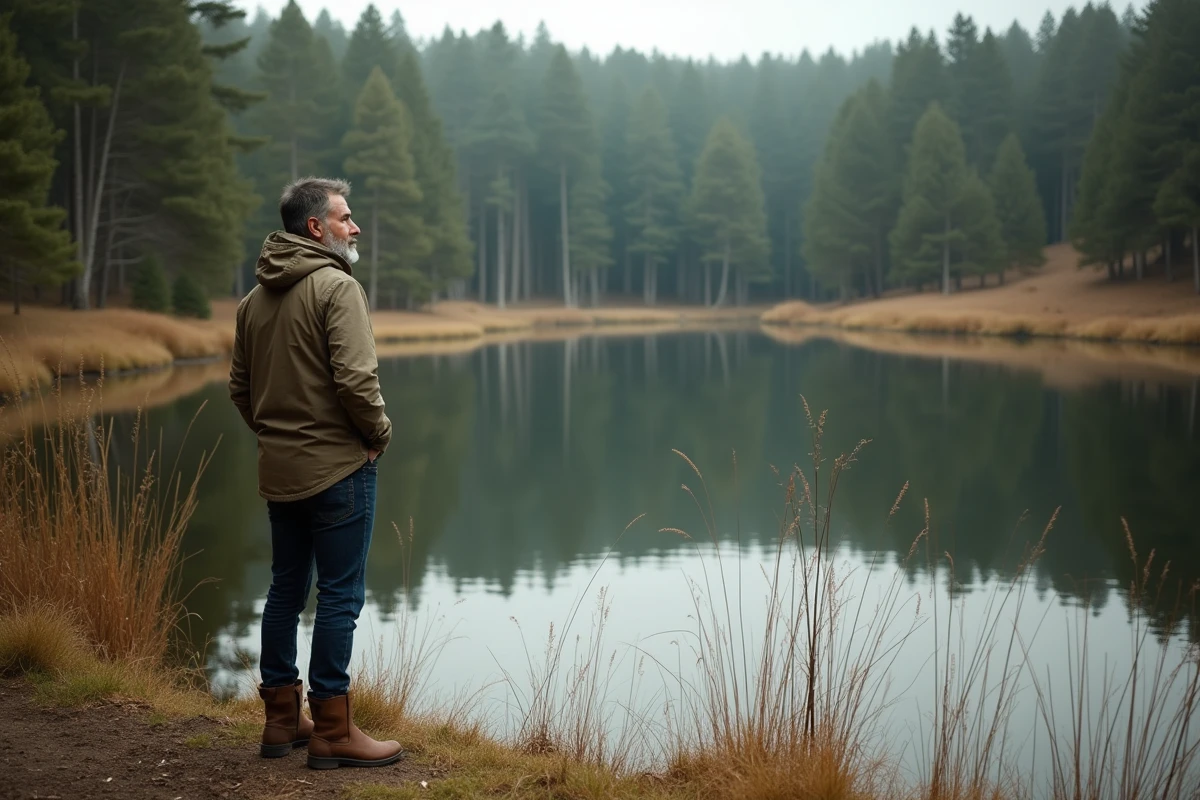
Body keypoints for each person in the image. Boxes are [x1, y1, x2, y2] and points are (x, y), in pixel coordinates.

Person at [229, 177, 403, 770]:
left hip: (281, 472)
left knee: (283, 589)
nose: (355, 228)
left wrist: (276, 437)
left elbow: (240, 389)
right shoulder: (336, 287)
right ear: (315, 228)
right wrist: (377, 436)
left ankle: (281, 721)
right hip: (338, 470)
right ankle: (332, 731)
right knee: (339, 596)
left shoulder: (254, 300)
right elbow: (358, 382)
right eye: (345, 218)